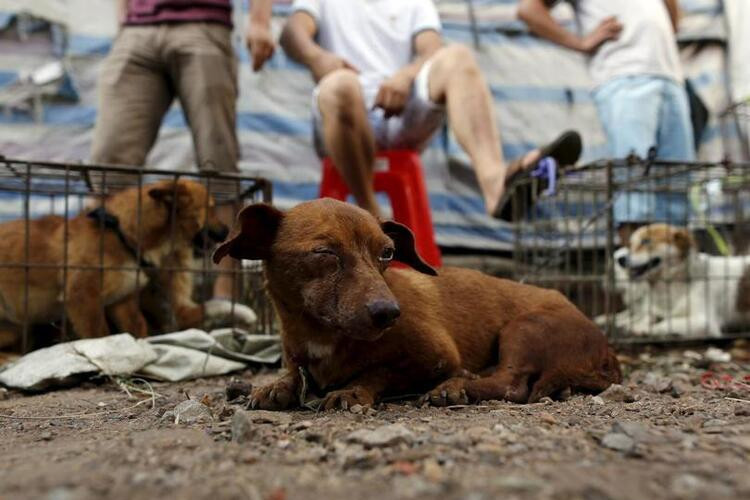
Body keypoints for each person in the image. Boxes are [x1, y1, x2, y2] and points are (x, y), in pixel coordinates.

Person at [281, 0, 581, 220]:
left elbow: (431, 48)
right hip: (341, 121)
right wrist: (317, 57)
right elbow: (292, 32)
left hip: (397, 116)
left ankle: (495, 183)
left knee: (458, 57)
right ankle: (369, 212)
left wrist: (406, 75)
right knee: (341, 85)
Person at [90, 0, 275, 300]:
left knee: (218, 162)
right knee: (108, 164)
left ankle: (225, 295)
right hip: (137, 31)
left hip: (204, 23)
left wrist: (259, 21)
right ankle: (100, 285)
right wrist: (123, 16)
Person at [518, 0, 695, 242]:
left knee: (677, 188)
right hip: (624, 77)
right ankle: (632, 273)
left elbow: (674, 22)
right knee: (634, 190)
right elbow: (529, 9)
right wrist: (580, 43)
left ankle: (672, 275)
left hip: (671, 78)